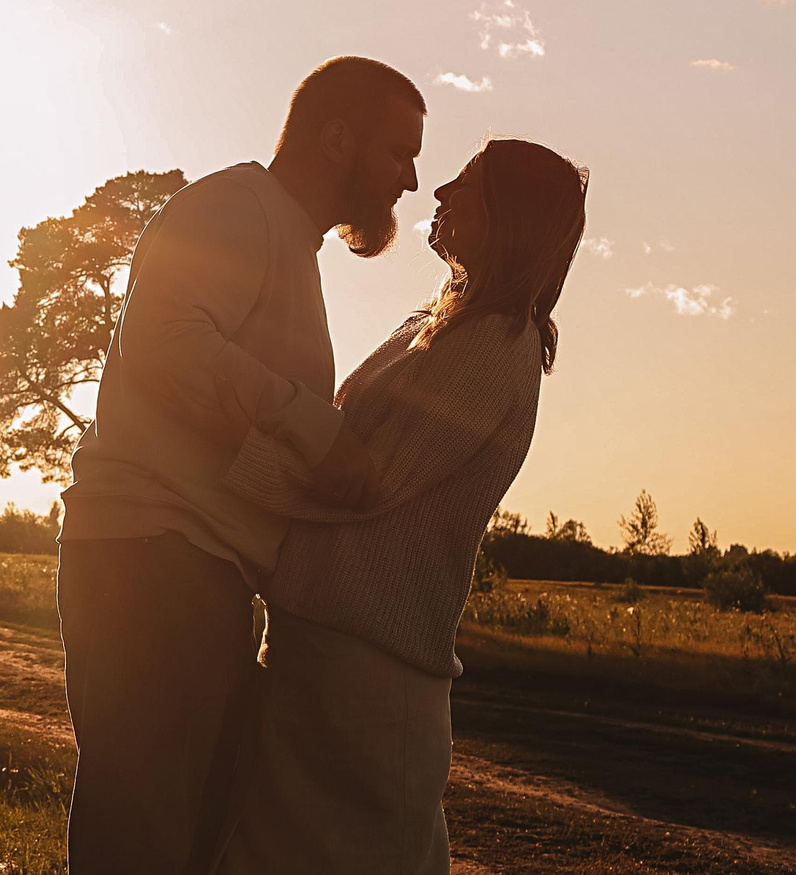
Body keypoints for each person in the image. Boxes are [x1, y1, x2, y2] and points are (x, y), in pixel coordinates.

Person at [57, 56, 427, 875]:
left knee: (192, 835)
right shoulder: (233, 207)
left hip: (199, 566)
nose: (409, 179)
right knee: (143, 836)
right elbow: (163, 340)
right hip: (154, 559)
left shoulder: (290, 241)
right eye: (400, 151)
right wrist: (317, 431)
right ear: (337, 138)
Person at [217, 137, 589, 875]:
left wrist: (218, 450)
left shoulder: (491, 343)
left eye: (469, 180)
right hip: (332, 654)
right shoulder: (447, 323)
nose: (440, 189)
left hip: (366, 674)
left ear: (508, 216)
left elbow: (363, 478)